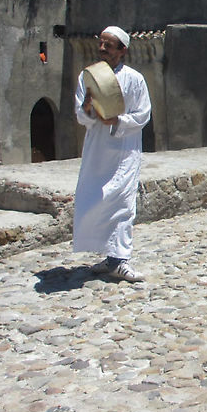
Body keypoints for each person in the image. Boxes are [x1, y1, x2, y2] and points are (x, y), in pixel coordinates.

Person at [74, 25, 152, 282]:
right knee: (95, 201)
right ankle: (109, 257)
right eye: (101, 43)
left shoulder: (135, 79)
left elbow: (143, 115)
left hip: (124, 151)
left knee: (122, 204)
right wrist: (87, 108)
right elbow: (80, 114)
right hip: (97, 151)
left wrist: (117, 122)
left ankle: (121, 260)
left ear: (122, 50)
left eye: (108, 45)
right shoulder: (87, 77)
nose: (102, 48)